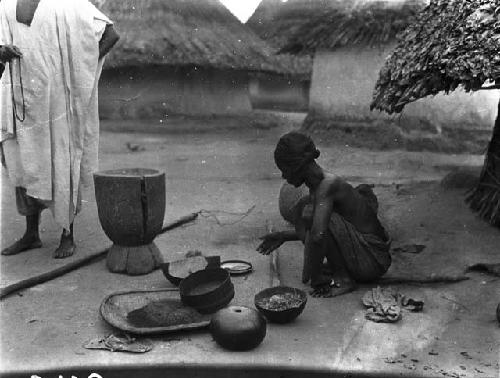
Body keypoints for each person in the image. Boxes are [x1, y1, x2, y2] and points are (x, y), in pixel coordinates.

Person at [0, 0, 119, 258]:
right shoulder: (6, 5)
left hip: (57, 105)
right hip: (21, 98)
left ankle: (68, 234)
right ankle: (31, 234)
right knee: (22, 163)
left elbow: (110, 34)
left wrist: (77, 71)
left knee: (62, 164)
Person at [257, 132, 392, 297]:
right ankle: (341, 271)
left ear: (297, 166)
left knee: (311, 215)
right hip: (367, 258)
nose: (284, 176)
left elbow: (319, 235)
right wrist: (283, 236)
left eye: (285, 170)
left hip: (372, 260)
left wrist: (315, 277)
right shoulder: (319, 188)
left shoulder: (327, 186)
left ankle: (344, 279)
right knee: (307, 210)